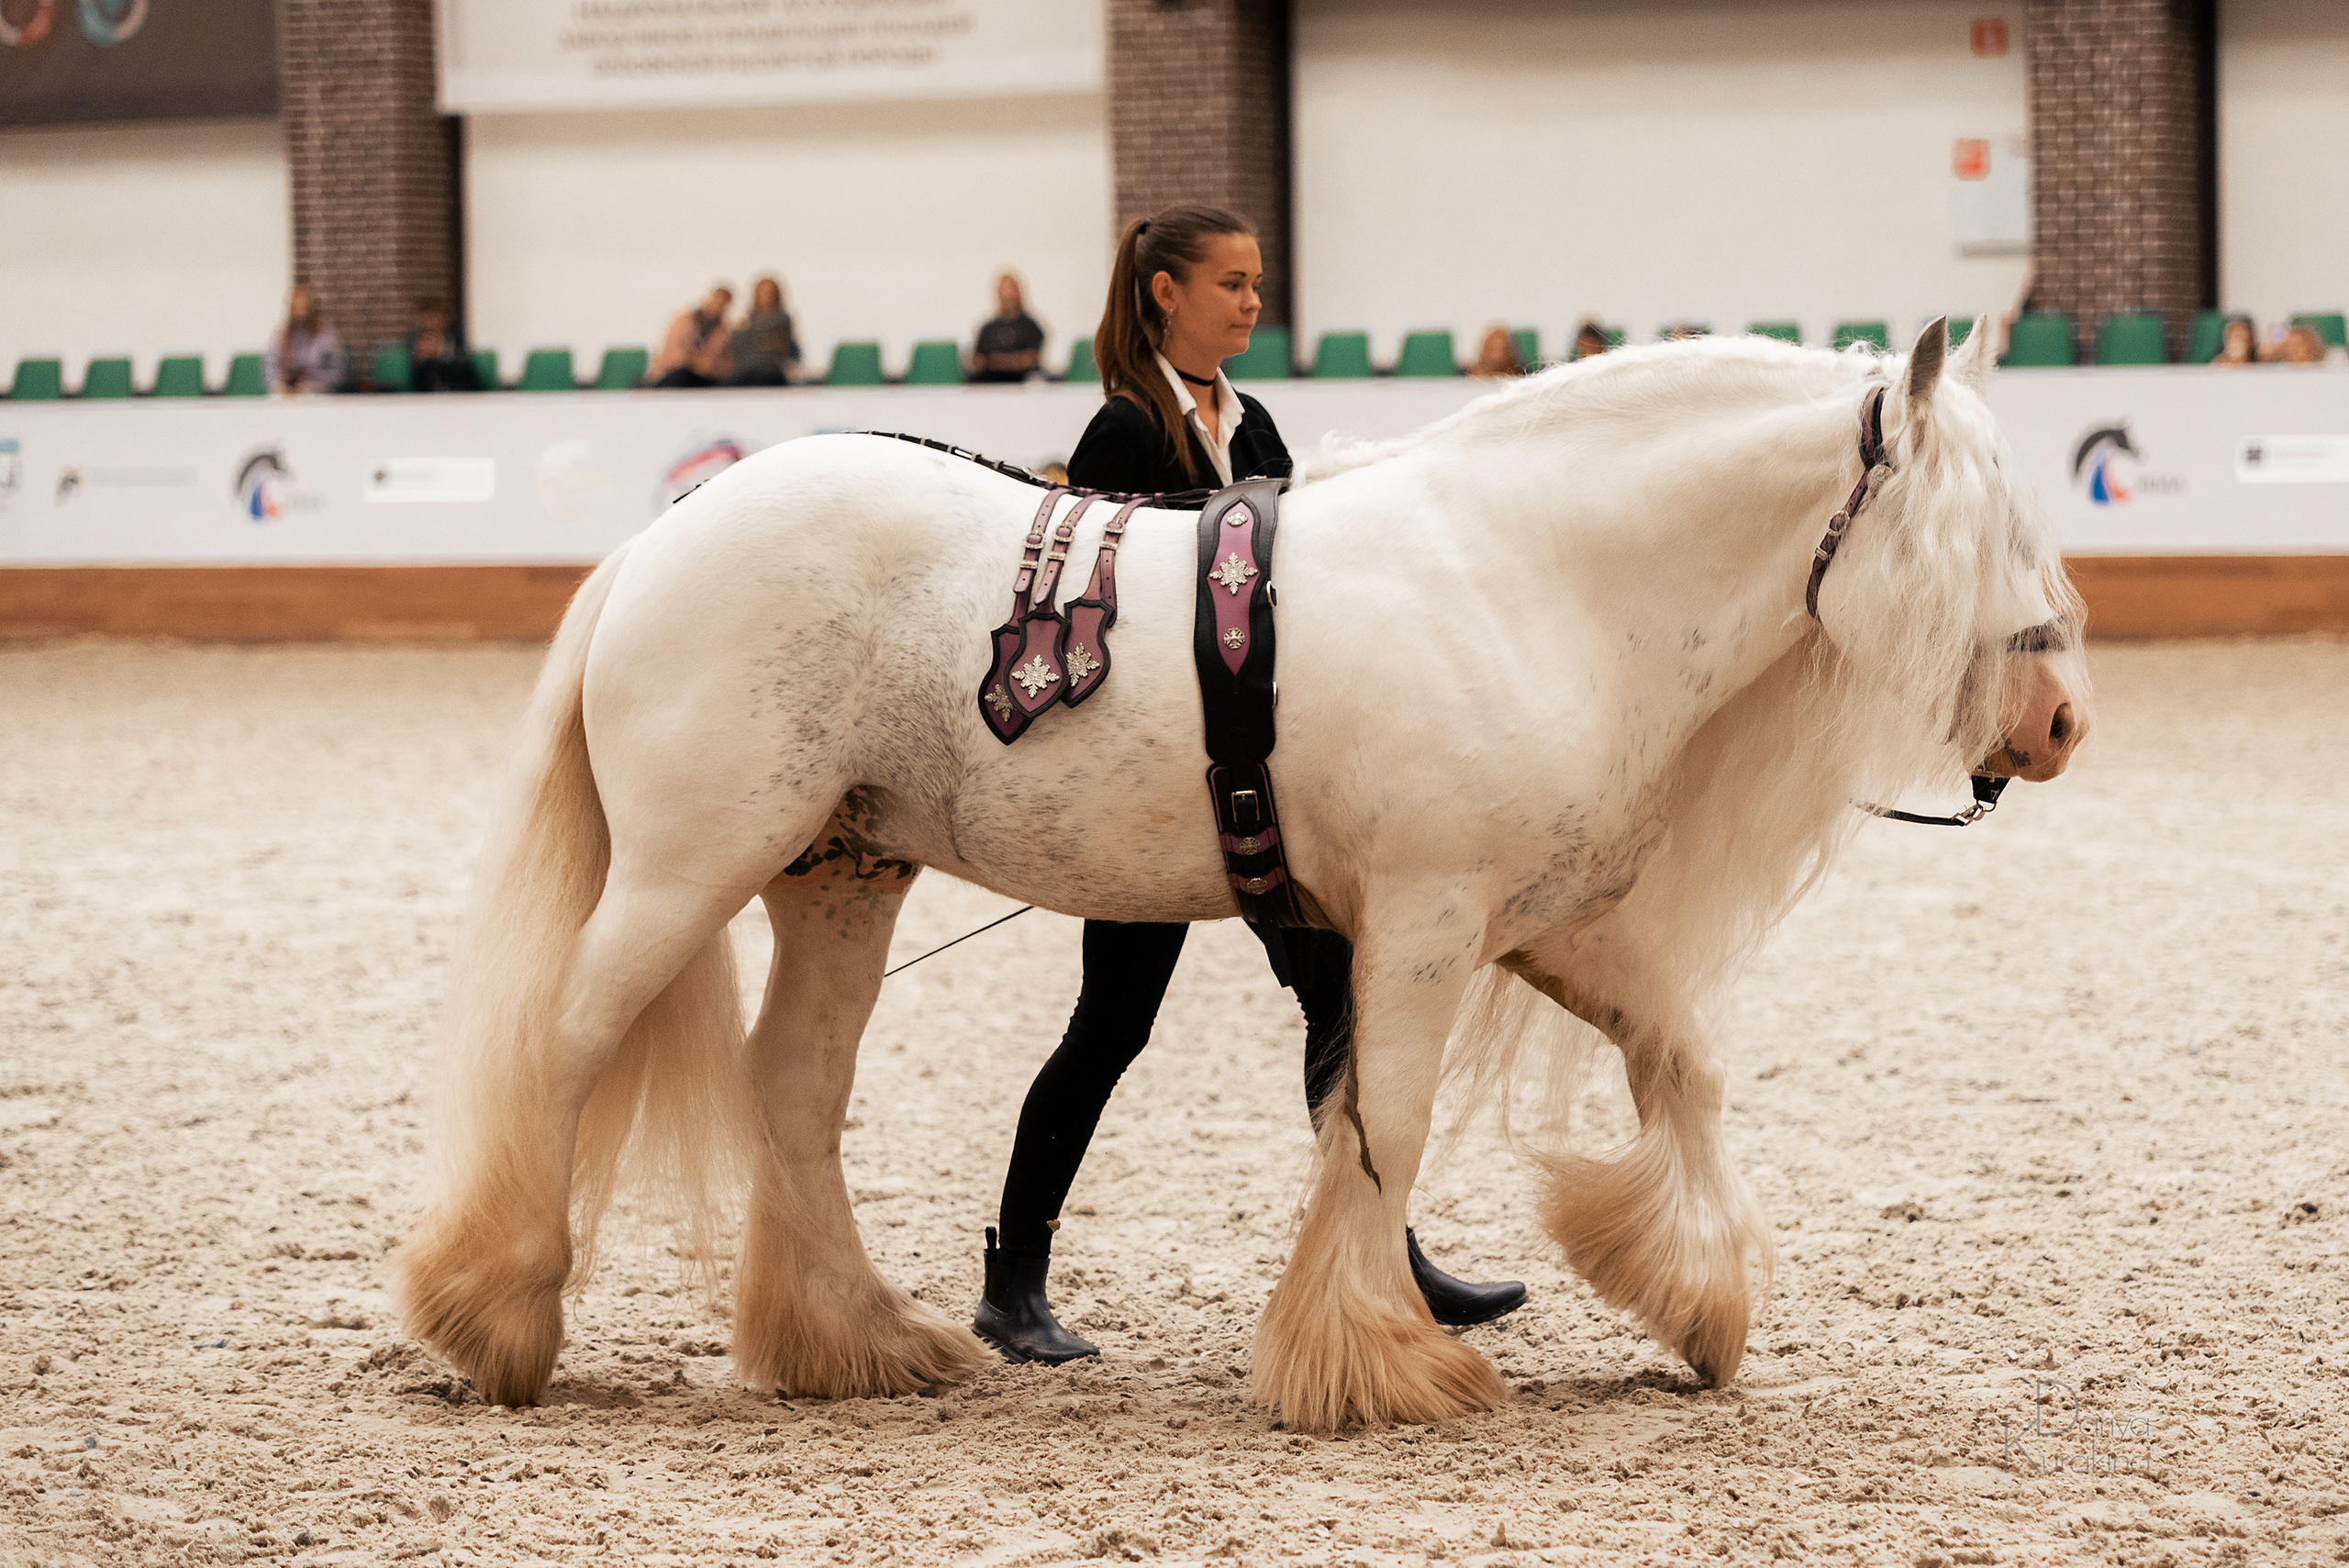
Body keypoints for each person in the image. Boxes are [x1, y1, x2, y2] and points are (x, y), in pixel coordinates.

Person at [972, 203, 1527, 1366]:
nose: (1251, 300)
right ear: (1165, 292)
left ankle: (1381, 1245)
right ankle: (1013, 1275)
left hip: (1271, 792)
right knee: (1109, 1026)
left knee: (1337, 1002)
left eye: (1256, 282)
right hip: (1158, 795)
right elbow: (1120, 608)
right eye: (1230, 282)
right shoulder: (1121, 432)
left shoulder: (1254, 419)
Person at [264, 285, 346, 395]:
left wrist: (311, 378)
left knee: (306, 392)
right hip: (286, 388)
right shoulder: (281, 335)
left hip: (316, 387)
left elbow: (336, 373)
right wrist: (280, 380)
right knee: (277, 392)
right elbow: (270, 367)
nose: (299, 314)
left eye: (303, 308)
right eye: (295, 308)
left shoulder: (326, 336)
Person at [971, 271, 1047, 383]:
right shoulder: (987, 328)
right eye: (1003, 291)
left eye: (1010, 290)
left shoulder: (1031, 327)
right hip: (990, 384)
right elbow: (977, 362)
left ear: (1018, 292)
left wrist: (996, 361)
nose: (1006, 295)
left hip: (1022, 384)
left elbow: (1032, 360)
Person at [651, 284, 733, 388]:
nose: (716, 306)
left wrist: (700, 364)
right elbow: (671, 353)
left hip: (703, 379)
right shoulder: (684, 321)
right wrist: (692, 360)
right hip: (673, 373)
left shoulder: (724, 331)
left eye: (721, 303)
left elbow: (722, 366)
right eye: (715, 300)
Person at [727, 274, 799, 386]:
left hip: (770, 372)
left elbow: (784, 348)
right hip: (743, 371)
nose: (766, 296)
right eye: (763, 292)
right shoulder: (745, 318)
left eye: (770, 292)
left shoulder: (782, 320)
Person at [406, 299, 482, 393]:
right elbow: (413, 386)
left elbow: (472, 384)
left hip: (459, 396)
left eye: (433, 318)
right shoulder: (412, 342)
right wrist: (422, 362)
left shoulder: (456, 340)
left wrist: (443, 356)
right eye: (425, 320)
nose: (429, 324)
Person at [2260, 323, 2327, 364]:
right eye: (2289, 345)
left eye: (2298, 345)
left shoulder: (2319, 370)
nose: (2292, 350)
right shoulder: (2280, 368)